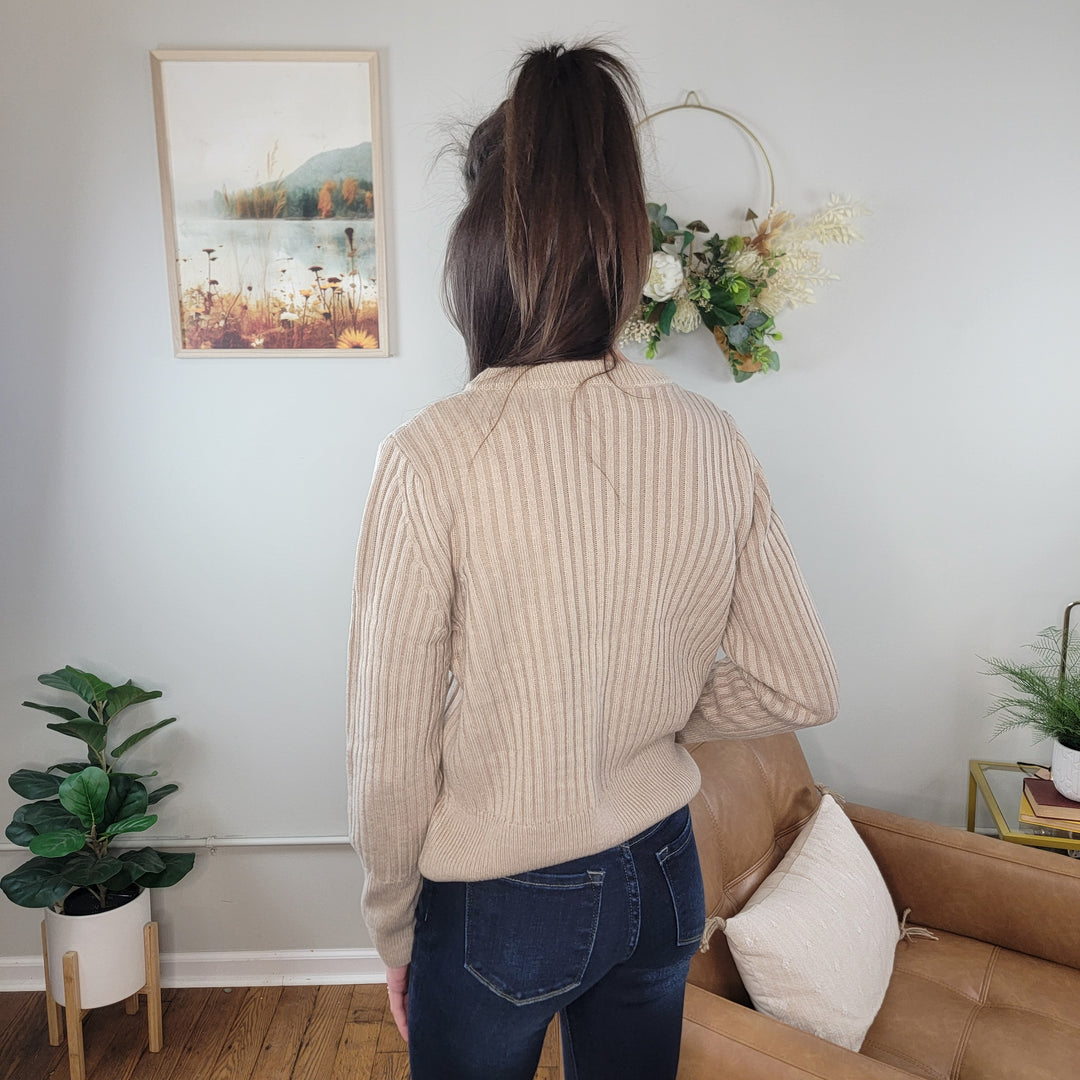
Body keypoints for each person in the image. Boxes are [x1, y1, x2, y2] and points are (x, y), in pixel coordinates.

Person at [346, 37, 839, 1080]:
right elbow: (802, 678)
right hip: (663, 874)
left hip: (503, 900)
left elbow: (389, 751)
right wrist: (656, 716)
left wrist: (396, 930)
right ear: (624, 238)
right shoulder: (710, 435)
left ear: (479, 247)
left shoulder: (433, 454)